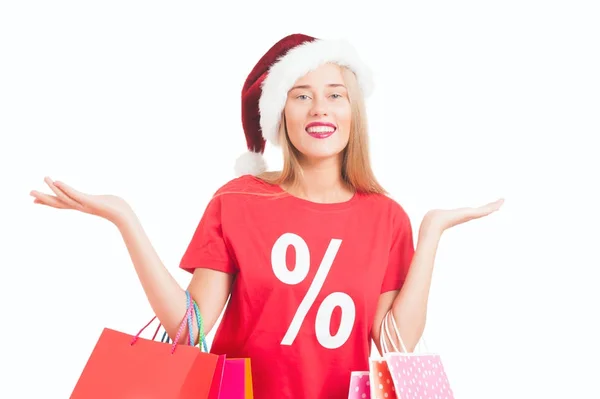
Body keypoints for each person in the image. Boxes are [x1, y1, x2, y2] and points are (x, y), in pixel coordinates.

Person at [30, 33, 503, 398]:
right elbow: (190, 332)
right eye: (301, 95)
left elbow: (397, 349)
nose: (320, 108)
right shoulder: (238, 201)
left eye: (335, 94)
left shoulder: (387, 218)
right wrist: (125, 219)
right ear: (280, 114)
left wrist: (431, 231)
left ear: (354, 111)